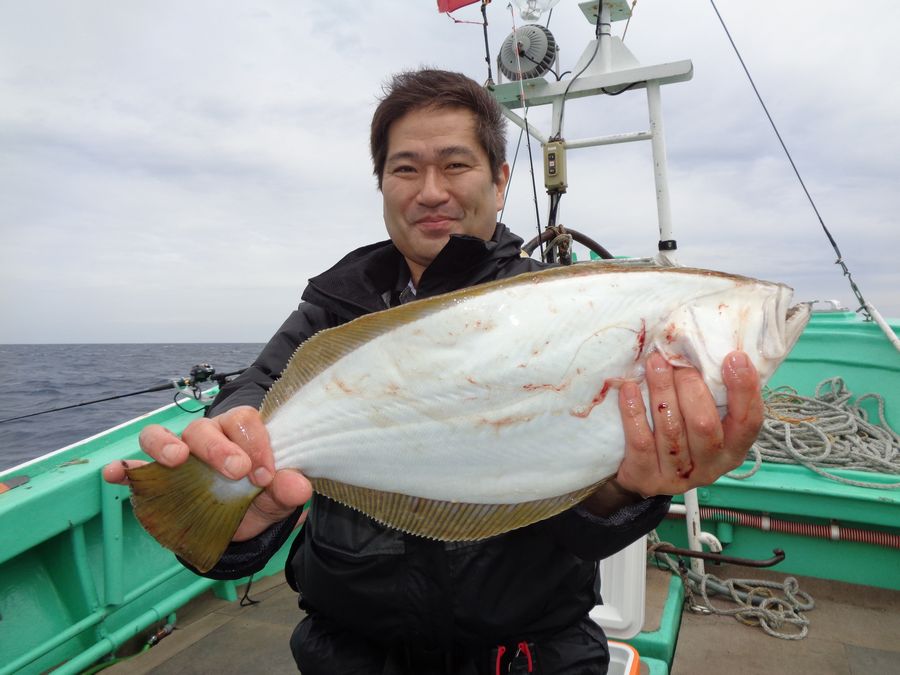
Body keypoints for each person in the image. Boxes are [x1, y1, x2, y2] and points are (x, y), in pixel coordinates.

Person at [104, 69, 763, 674]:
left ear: (500, 181)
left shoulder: (565, 307)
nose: (431, 192)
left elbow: (581, 515)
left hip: (533, 656)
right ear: (382, 184)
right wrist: (231, 471)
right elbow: (257, 395)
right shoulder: (331, 310)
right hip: (348, 657)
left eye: (455, 164)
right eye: (406, 169)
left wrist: (623, 490)